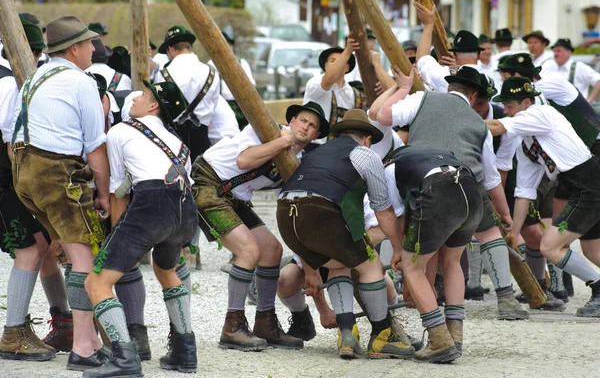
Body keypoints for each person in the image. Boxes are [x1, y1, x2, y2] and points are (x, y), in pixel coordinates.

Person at [372, 65, 529, 320]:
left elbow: (382, 115)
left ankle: (432, 316)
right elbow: (490, 179)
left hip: (425, 183)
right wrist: (505, 213)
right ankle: (506, 298)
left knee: (425, 254)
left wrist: (402, 88)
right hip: (469, 186)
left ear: (450, 87)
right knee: (488, 235)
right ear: (474, 96)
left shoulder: (423, 98)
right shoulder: (480, 124)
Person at [8, 15, 110, 370]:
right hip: (57, 171)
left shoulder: (35, 76)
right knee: (84, 258)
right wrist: (104, 194)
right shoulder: (81, 82)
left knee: (62, 247)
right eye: (89, 43)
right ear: (74, 49)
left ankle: (88, 334)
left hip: (23, 171)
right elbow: (96, 147)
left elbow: (13, 135)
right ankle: (83, 344)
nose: (94, 49)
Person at [277, 109, 415, 359]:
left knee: (338, 264)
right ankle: (382, 336)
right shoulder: (365, 154)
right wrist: (397, 248)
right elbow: (383, 210)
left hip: (285, 216)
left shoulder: (315, 153)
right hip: (320, 211)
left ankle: (347, 335)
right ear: (367, 139)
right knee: (372, 266)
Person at [83, 80, 199, 377]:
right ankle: (185, 351)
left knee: (96, 283)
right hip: (187, 211)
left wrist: (118, 238)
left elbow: (118, 192)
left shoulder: (122, 129)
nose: (134, 98)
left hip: (152, 204)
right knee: (166, 271)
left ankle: (125, 360)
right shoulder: (178, 143)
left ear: (154, 106)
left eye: (143, 96)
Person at [192, 102, 329, 351]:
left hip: (234, 198)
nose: (305, 127)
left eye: (312, 126)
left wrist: (309, 268)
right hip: (207, 184)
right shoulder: (265, 130)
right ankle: (232, 326)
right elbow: (244, 160)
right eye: (302, 121)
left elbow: (295, 216)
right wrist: (282, 142)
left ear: (316, 136)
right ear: (292, 121)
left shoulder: (296, 164)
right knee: (248, 251)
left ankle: (264, 323)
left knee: (272, 250)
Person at [486, 76, 600, 318]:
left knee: (550, 246)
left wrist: (461, 121)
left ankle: (599, 290)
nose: (506, 111)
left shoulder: (540, 114)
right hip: (582, 185)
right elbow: (524, 192)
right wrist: (515, 232)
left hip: (589, 184)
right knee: (593, 251)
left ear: (527, 102)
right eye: (504, 106)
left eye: (510, 106)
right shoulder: (526, 143)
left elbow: (497, 127)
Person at [0, 18, 68, 362]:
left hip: (9, 180)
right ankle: (13, 333)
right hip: (4, 180)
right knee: (29, 250)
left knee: (42, 246)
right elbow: (11, 140)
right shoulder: (9, 82)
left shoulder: (13, 78)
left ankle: (63, 319)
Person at [387, 145, 484, 362]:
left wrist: (399, 252)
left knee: (410, 266)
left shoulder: (390, 167)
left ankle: (439, 340)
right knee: (452, 262)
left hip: (439, 189)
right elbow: (430, 246)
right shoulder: (433, 155)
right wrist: (426, 286)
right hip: (470, 188)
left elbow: (399, 216)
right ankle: (454, 337)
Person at [154, 25, 220, 160]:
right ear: (189, 47)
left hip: (173, 138)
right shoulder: (212, 72)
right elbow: (213, 106)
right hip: (202, 137)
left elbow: (158, 107)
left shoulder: (163, 74)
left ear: (170, 49)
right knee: (199, 176)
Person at [414, 3, 483, 93]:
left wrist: (428, 25)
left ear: (454, 55)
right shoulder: (491, 80)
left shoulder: (447, 79)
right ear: (479, 55)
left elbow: (422, 59)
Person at [303, 41, 360, 144]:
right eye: (333, 61)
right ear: (325, 66)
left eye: (342, 61)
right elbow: (329, 79)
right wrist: (347, 51)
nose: (337, 65)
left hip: (339, 149)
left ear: (347, 67)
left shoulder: (353, 93)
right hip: (313, 145)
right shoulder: (316, 82)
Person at [209, 32, 255, 130]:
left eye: (229, 44)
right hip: (221, 106)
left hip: (241, 106)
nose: (227, 47)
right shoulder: (210, 66)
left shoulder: (242, 63)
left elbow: (251, 87)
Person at [542, 38, 600, 103]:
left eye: (559, 51)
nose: (555, 54)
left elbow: (598, 81)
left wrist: (589, 101)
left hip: (577, 110)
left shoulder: (578, 67)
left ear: (569, 52)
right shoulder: (551, 68)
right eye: (554, 51)